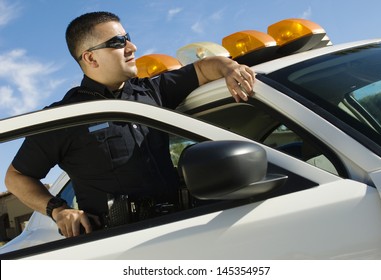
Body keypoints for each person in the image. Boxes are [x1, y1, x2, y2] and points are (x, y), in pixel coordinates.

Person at [4, 11, 255, 238]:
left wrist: (231, 68)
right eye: (118, 42)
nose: (132, 47)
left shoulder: (150, 91)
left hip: (182, 226)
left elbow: (202, 68)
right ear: (91, 58)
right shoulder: (66, 116)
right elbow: (16, 177)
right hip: (118, 243)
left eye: (128, 37)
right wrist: (58, 211)